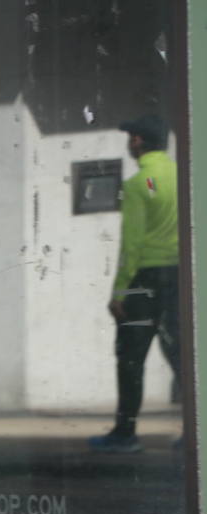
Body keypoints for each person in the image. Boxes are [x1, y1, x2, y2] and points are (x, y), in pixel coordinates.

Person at [89, 114, 182, 454]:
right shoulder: (181, 176)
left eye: (130, 136)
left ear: (139, 141)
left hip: (144, 282)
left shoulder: (138, 184)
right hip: (178, 279)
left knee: (130, 358)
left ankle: (125, 433)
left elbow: (132, 245)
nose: (129, 141)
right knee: (182, 356)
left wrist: (118, 292)